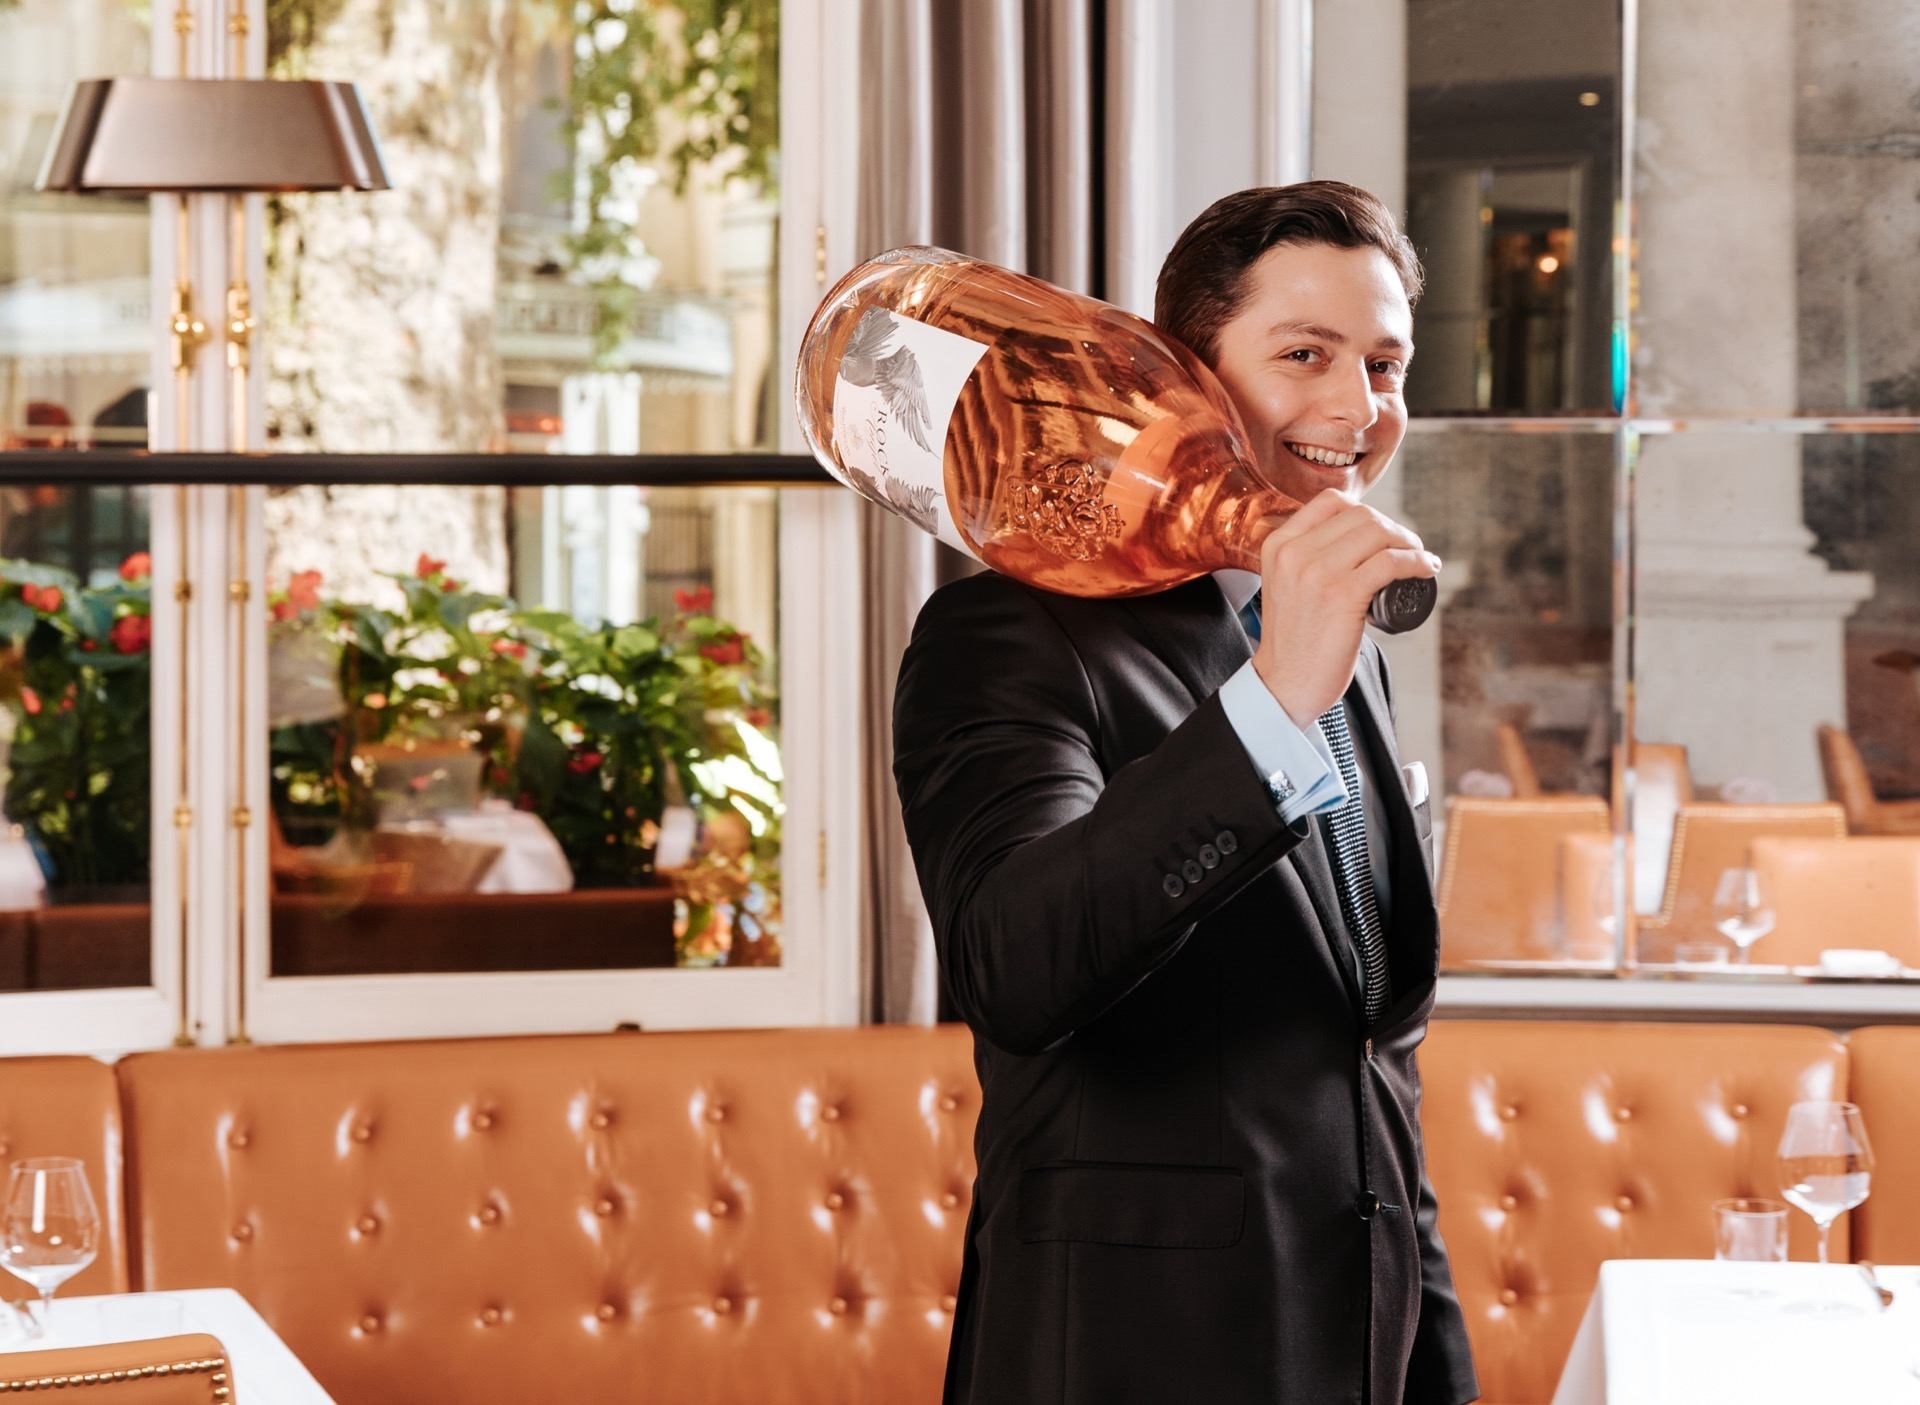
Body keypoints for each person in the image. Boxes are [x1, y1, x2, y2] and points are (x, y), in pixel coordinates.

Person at [892, 182, 1479, 1405]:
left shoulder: (1338, 639)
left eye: (1385, 363)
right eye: (1303, 355)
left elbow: (1375, 1069)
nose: (1356, 408)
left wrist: (1437, 1371)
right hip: (1129, 1357)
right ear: (1184, 380)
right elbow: (1015, 962)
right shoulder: (1006, 631)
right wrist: (1268, 705)